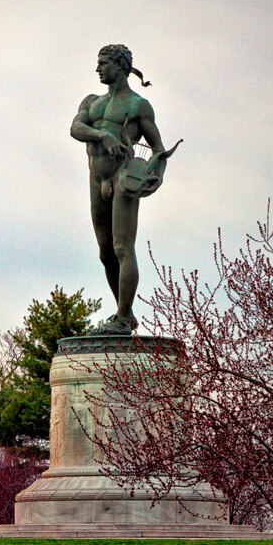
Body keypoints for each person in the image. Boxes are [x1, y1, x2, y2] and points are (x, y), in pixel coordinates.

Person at [70, 44, 181, 335]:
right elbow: (75, 129)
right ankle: (126, 314)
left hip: (123, 179)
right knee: (105, 253)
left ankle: (121, 316)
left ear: (120, 66)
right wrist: (103, 134)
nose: (98, 69)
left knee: (122, 247)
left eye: (103, 63)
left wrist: (154, 176)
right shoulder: (92, 102)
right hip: (97, 179)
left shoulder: (137, 105)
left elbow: (158, 149)